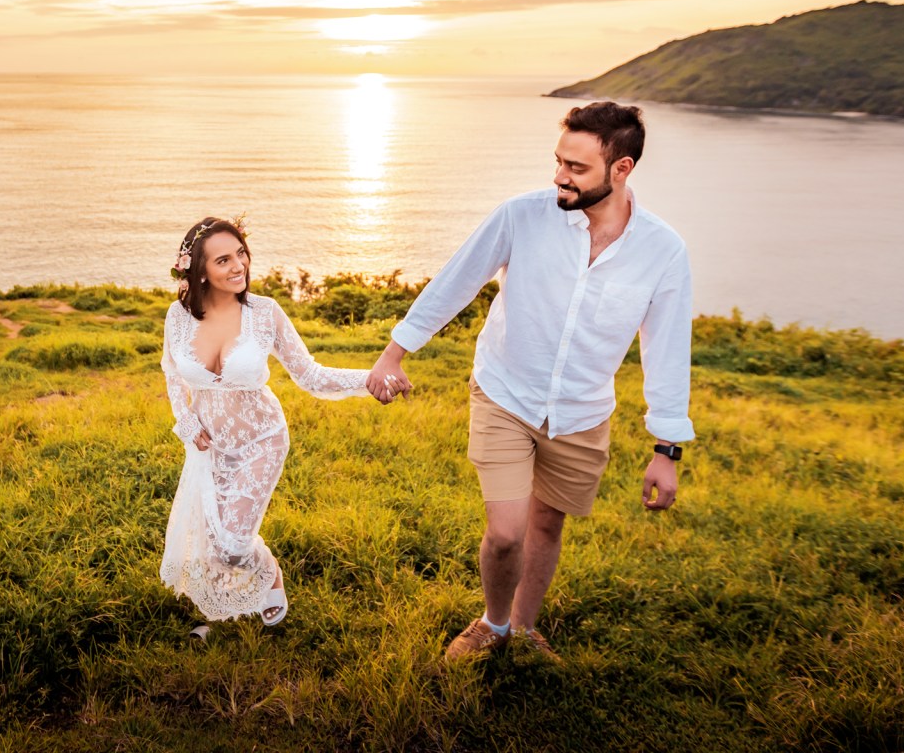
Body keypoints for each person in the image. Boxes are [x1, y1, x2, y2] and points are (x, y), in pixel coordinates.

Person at [367, 101, 694, 663]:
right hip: (505, 393)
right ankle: (492, 624)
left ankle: (523, 628)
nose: (560, 176)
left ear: (622, 169)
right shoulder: (522, 215)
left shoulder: (663, 251)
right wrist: (394, 354)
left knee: (546, 525)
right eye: (559, 160)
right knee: (507, 533)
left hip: (583, 412)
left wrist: (667, 448)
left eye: (577, 167)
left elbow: (666, 349)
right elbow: (456, 282)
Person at [159, 216, 372, 626]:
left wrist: (369, 379)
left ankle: (269, 572)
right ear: (198, 270)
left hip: (261, 438)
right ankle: (223, 606)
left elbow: (310, 374)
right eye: (223, 260)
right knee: (213, 544)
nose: (238, 266)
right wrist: (184, 420)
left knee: (234, 545)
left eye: (241, 254)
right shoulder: (178, 317)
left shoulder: (264, 313)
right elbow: (171, 372)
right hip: (210, 447)